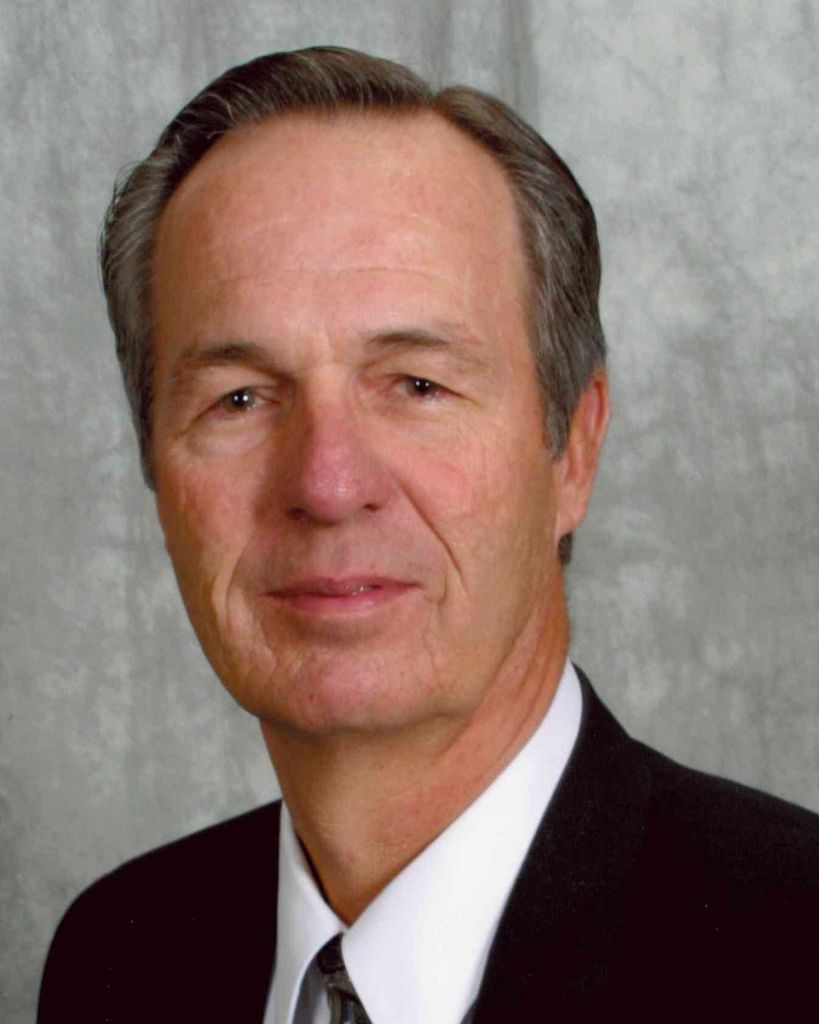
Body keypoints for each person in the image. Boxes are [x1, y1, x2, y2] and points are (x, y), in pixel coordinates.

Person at [38, 46, 818, 1023]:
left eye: (417, 385)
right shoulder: (120, 957)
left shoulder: (793, 955)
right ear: (156, 467)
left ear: (572, 450)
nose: (327, 484)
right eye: (238, 398)